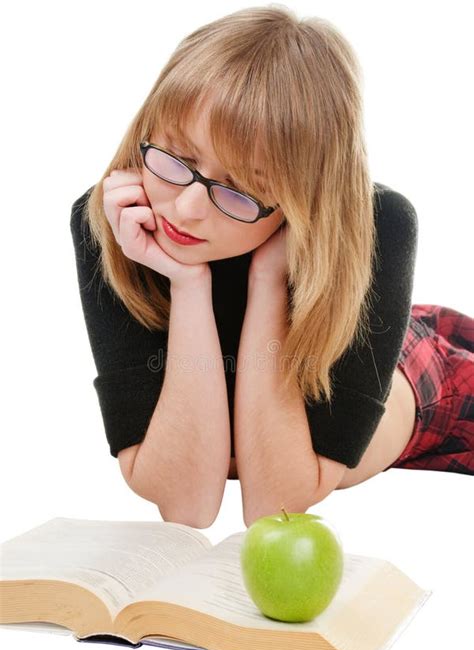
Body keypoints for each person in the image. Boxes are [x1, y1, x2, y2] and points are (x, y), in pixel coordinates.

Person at [70, 6, 474, 529]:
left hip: (422, 371)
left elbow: (274, 506)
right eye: (178, 158)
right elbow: (187, 506)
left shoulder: (379, 226)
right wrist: (189, 285)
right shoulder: (114, 217)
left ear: (302, 199)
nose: (188, 209)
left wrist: (269, 279)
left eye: (242, 189)